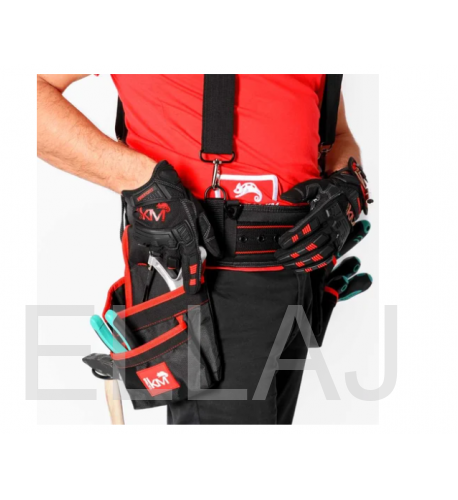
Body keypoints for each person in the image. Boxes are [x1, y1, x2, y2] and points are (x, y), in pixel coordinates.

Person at [37, 74, 370, 424]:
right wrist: (140, 180)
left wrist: (349, 181)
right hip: (208, 277)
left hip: (303, 273)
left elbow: (338, 135)